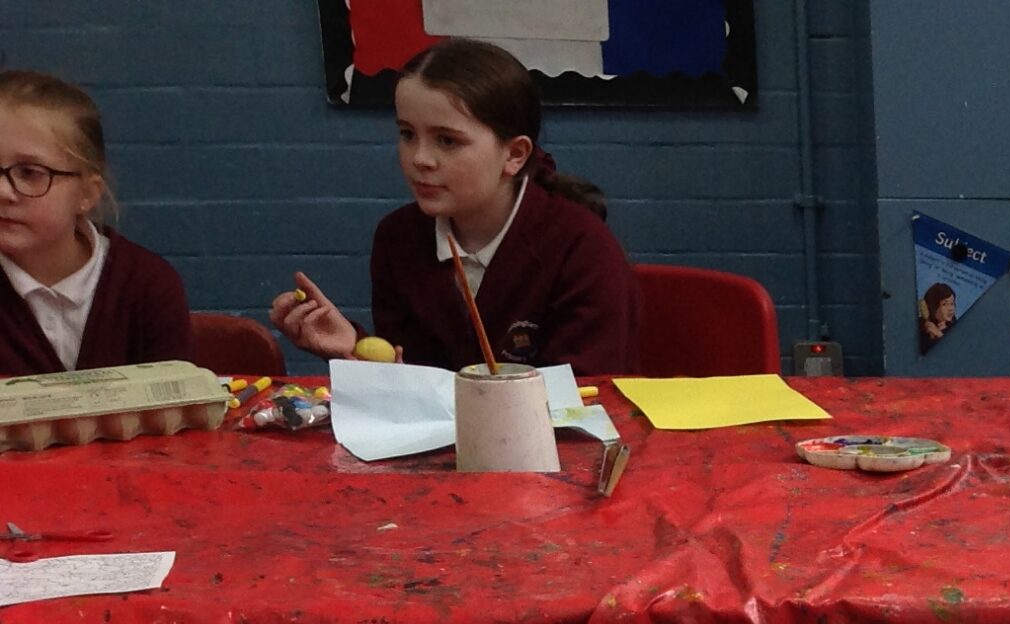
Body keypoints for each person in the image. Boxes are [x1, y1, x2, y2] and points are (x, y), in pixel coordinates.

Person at [270, 39, 634, 372]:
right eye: (407, 134)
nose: (420, 158)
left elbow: (586, 394)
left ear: (515, 154)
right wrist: (353, 347)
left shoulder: (582, 247)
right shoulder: (398, 238)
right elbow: (417, 380)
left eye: (447, 141)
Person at [0, 69, 189, 377]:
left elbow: (175, 401)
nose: (3, 191)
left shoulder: (148, 285)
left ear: (86, 194)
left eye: (30, 173)